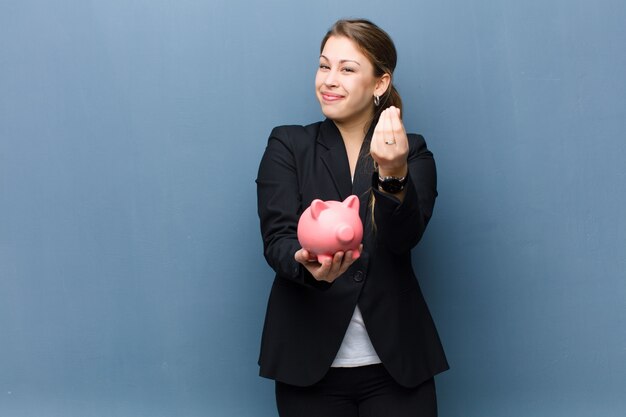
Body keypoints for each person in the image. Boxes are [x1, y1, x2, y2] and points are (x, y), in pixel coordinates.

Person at [256, 18, 449, 417]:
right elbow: (278, 239)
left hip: (397, 366)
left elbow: (403, 238)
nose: (329, 80)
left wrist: (393, 175)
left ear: (379, 83)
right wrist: (308, 266)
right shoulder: (288, 144)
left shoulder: (411, 152)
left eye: (347, 69)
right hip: (307, 363)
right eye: (324, 66)